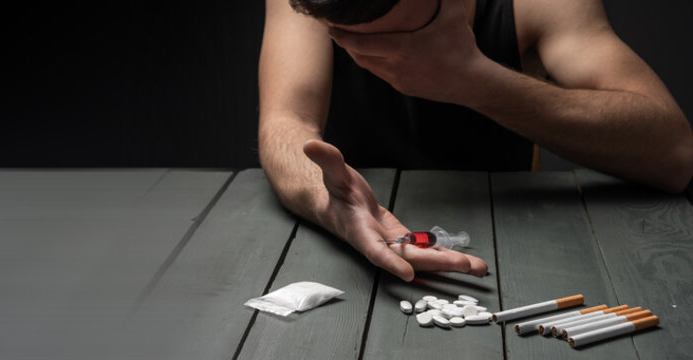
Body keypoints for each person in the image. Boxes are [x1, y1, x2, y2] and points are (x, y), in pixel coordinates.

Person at [258, 0, 693, 282]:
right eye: (350, 37)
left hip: (524, 259)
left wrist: (474, 81)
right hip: (347, 260)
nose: (379, 54)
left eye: (401, 38)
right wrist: (330, 202)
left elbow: (674, 153)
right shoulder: (313, 2)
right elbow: (284, 123)